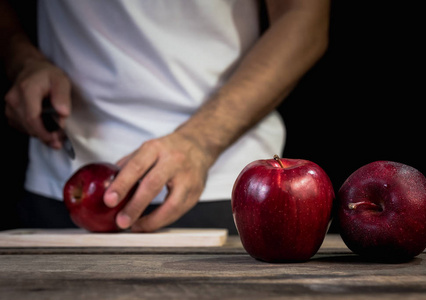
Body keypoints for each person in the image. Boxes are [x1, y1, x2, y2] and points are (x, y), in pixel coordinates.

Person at [0, 0, 330, 233]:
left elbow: (303, 15)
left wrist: (200, 140)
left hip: (232, 188)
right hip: (56, 180)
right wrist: (22, 59)